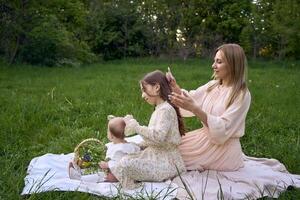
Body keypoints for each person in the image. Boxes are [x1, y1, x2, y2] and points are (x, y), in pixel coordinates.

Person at [167, 43, 250, 171]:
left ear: (233, 65)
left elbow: (223, 129)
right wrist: (175, 87)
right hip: (203, 138)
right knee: (165, 147)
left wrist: (195, 109)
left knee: (169, 158)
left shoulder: (240, 94)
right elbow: (192, 99)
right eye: (214, 61)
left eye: (219, 62)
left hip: (222, 149)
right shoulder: (213, 86)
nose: (213, 66)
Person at [110, 70, 186, 189]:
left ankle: (127, 184)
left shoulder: (165, 110)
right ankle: (115, 175)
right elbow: (155, 139)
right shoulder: (160, 109)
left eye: (144, 90)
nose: (142, 95)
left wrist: (137, 127)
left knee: (125, 163)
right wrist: (138, 145)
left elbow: (159, 137)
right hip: (156, 154)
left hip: (167, 163)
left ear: (156, 87)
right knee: (124, 156)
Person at [69, 116, 140, 182]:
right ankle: (81, 171)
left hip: (117, 174)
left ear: (112, 136)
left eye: (108, 131)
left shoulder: (119, 150)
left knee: (102, 175)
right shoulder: (124, 145)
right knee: (98, 167)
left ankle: (80, 178)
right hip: (113, 169)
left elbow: (119, 163)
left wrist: (107, 165)